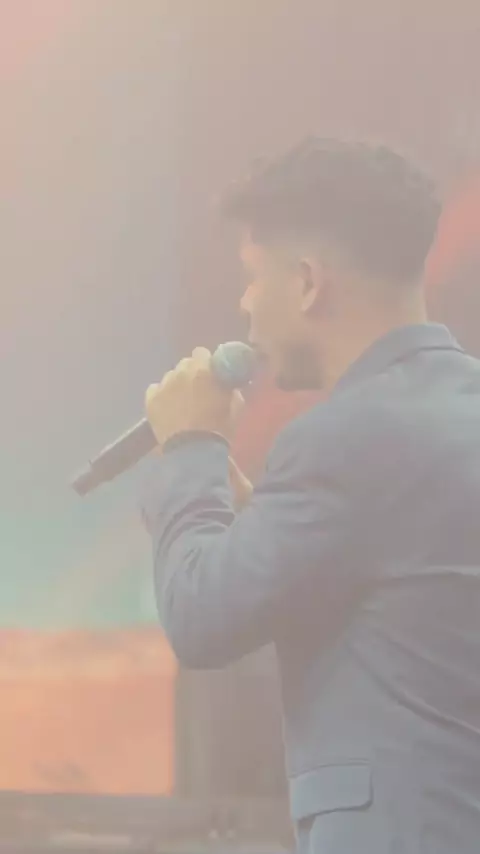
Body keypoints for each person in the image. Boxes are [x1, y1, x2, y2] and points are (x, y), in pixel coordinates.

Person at [140, 138, 480, 853]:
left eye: (252, 277)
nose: (244, 304)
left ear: (305, 283)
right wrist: (258, 515)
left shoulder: (343, 439)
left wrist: (190, 449)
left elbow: (201, 617)